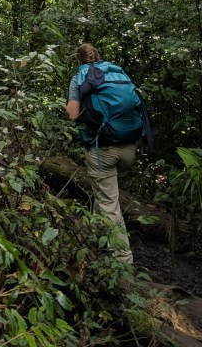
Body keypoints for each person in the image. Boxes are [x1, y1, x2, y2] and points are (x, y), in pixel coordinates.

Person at [66, 43, 139, 265]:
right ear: (99, 56)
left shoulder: (80, 77)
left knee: (108, 203)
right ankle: (98, 241)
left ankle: (122, 261)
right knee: (104, 194)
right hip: (130, 145)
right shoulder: (117, 72)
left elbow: (72, 114)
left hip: (104, 147)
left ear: (78, 60)